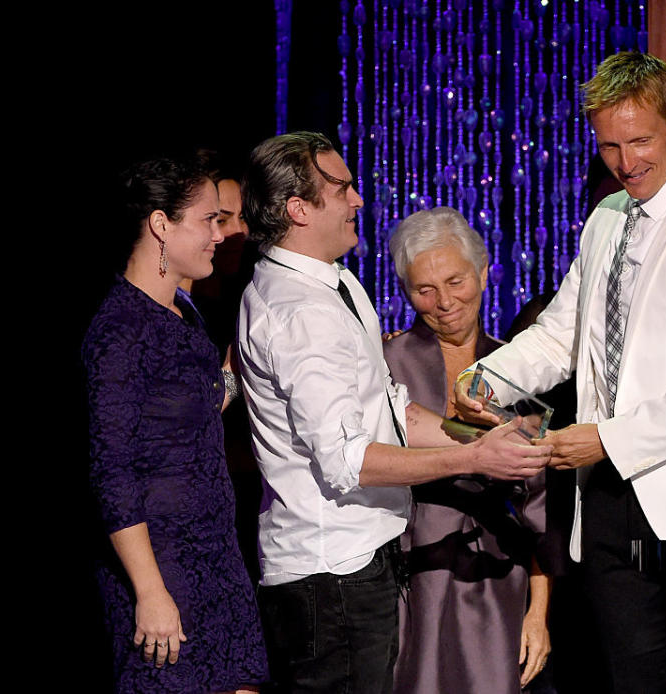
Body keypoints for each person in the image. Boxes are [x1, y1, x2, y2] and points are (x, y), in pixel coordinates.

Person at [453, 52, 666, 693]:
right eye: (610, 144)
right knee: (631, 681)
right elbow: (561, 334)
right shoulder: (605, 220)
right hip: (611, 499)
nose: (626, 160)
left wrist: (610, 437)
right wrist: (485, 379)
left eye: (640, 140)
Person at [236, 132, 551, 694]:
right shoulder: (301, 311)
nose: (359, 199)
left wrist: (489, 438)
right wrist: (478, 454)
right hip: (332, 572)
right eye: (343, 188)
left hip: (366, 563)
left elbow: (394, 411)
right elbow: (347, 461)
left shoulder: (338, 286)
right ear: (299, 209)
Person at [83, 155, 268, 693]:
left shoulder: (185, 315)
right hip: (162, 568)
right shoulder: (119, 331)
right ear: (162, 224)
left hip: (216, 556)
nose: (222, 234)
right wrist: (150, 591)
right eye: (210, 220)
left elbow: (194, 415)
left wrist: (239, 367)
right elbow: (112, 471)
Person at [383, 207, 552, 694]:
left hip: (498, 577)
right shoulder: (384, 363)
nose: (444, 303)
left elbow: (541, 506)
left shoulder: (522, 369)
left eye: (456, 281)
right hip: (409, 578)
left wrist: (538, 612)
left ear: (482, 272)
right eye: (424, 290)